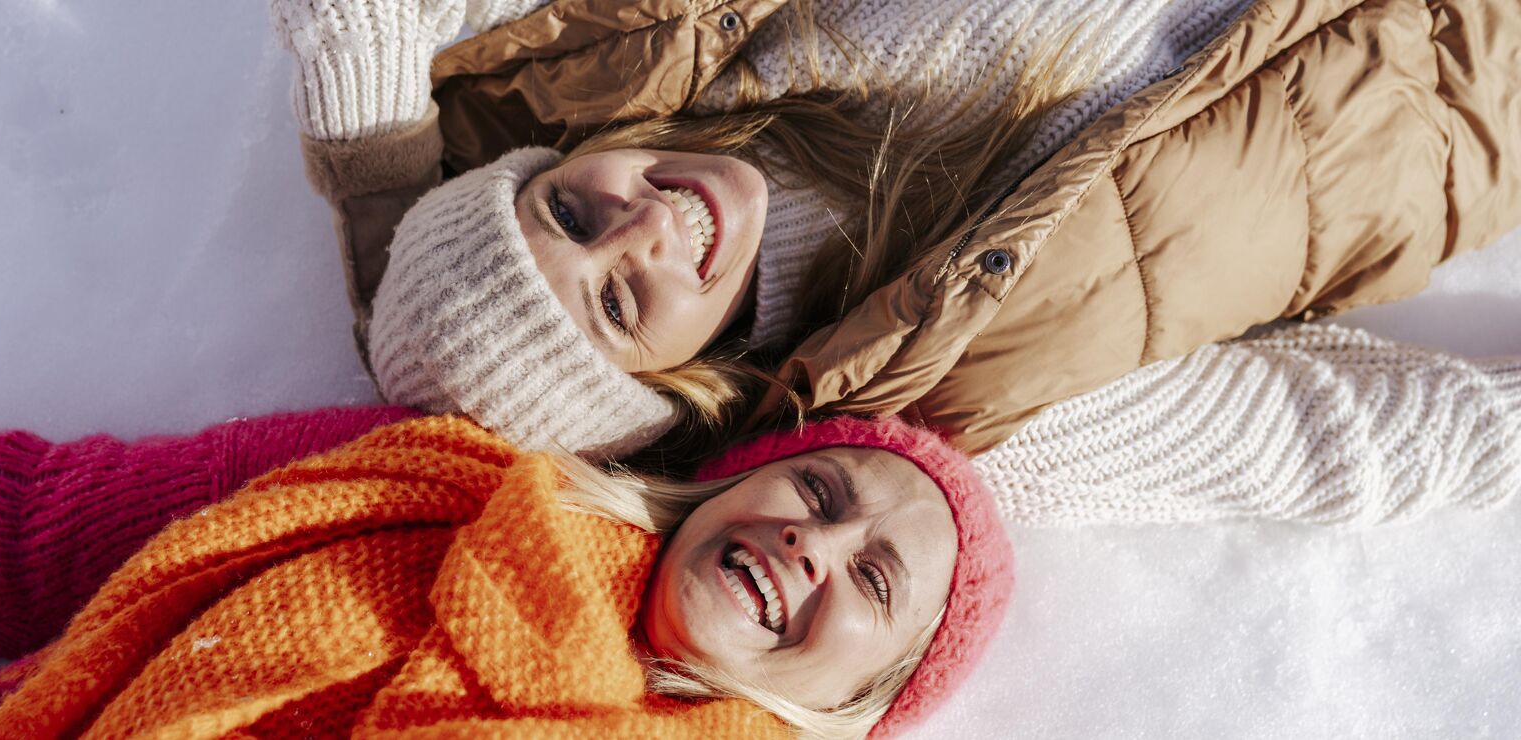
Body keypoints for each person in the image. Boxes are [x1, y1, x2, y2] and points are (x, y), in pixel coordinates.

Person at [283, 0, 1521, 460]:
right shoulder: (952, 388)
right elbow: (1317, 437)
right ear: (675, 389)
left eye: (568, 208)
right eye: (616, 301)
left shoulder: (655, 43)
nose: (647, 224)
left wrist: (379, 188)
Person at [0, 413, 1009, 739]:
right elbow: (23, 531)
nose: (817, 541)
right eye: (821, 490)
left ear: (871, 695)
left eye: (878, 579)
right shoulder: (446, 484)